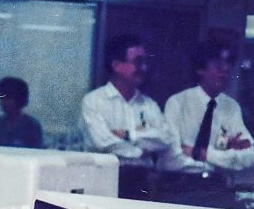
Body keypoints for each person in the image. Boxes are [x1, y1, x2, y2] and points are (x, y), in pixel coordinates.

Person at [79, 34, 185, 170]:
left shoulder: (149, 105)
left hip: (143, 180)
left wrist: (128, 135)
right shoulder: (93, 101)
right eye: (138, 62)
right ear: (117, 65)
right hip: (103, 176)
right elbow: (104, 143)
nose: (144, 68)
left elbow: (164, 139)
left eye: (145, 62)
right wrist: (141, 151)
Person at [164, 42, 254, 179]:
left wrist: (202, 154)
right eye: (218, 64)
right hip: (180, 184)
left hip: (217, 187)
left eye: (229, 63)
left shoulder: (231, 107)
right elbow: (171, 159)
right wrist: (221, 162)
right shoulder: (177, 103)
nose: (225, 69)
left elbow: (249, 157)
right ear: (201, 69)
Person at [0, 76, 43, 148]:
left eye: (8, 98)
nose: (3, 102)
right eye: (1, 98)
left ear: (20, 99)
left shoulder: (32, 125)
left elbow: (36, 154)